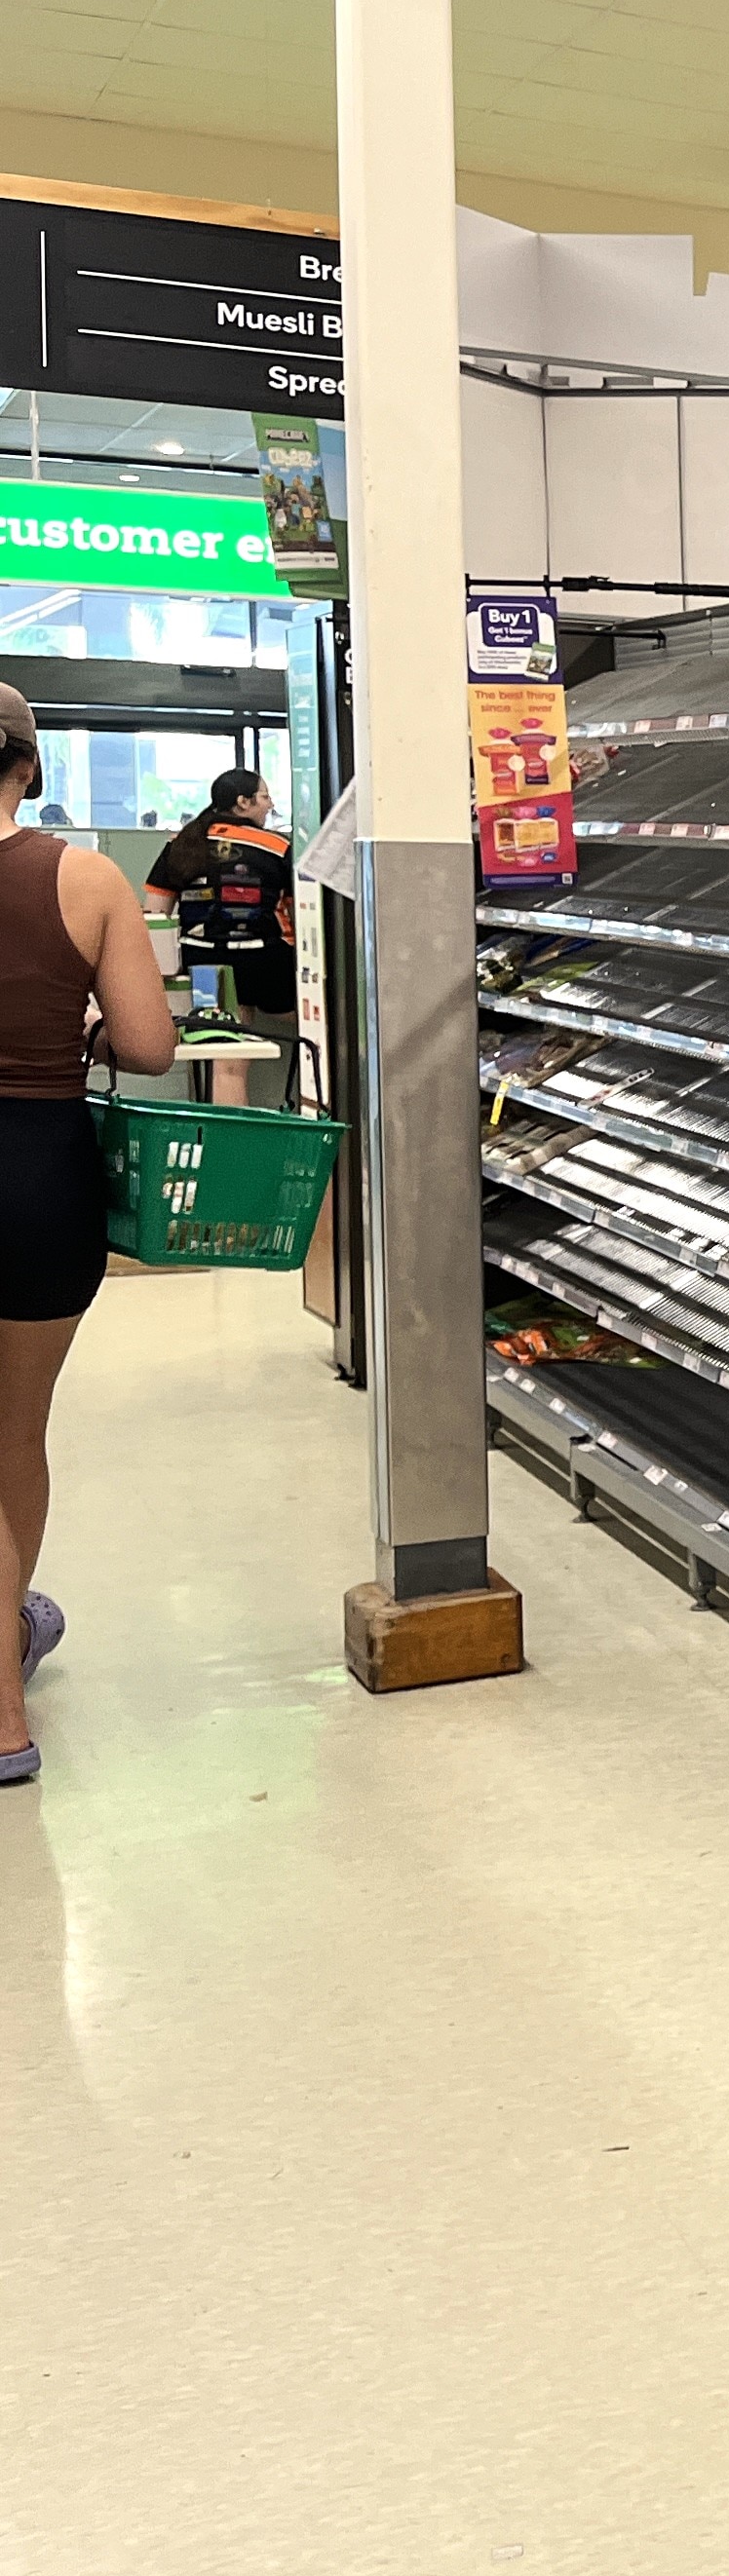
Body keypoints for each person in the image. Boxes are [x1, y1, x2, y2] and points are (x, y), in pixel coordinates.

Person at [0, 683, 175, 1783]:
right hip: (37, 1174)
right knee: (14, 1435)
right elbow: (153, 1047)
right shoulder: (85, 876)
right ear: (29, 764)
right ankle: (4, 1699)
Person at [144, 768, 293, 1031]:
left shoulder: (181, 842)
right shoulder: (276, 847)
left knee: (220, 1038)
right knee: (325, 1018)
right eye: (265, 797)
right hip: (263, 962)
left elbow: (155, 913)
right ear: (242, 802)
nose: (271, 805)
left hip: (199, 962)